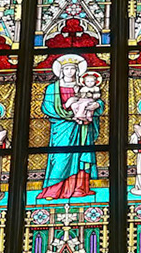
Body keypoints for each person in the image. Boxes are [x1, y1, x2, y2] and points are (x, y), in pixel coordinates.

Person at [37, 54, 99, 200]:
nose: (70, 71)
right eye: (67, 69)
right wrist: (67, 108)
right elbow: (47, 107)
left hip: (83, 128)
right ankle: (53, 191)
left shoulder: (83, 87)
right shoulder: (52, 88)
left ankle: (79, 189)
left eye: (73, 68)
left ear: (78, 71)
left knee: (81, 156)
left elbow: (96, 102)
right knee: (60, 157)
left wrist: (97, 105)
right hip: (62, 127)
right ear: (61, 71)